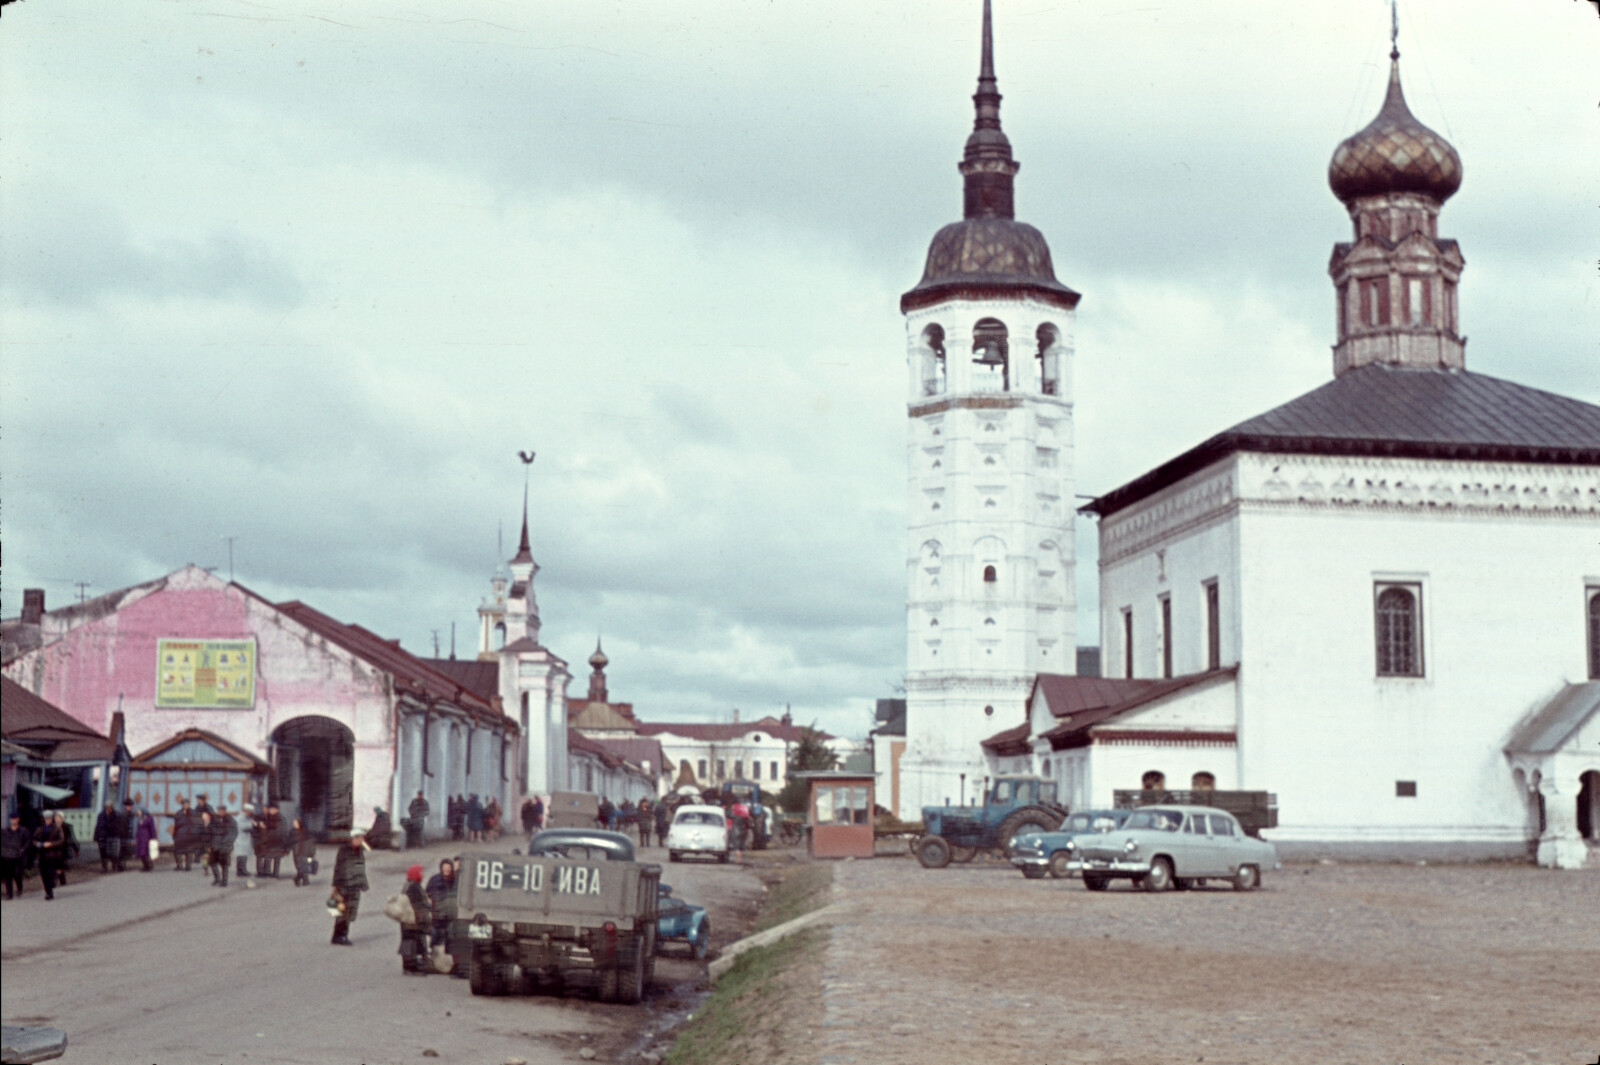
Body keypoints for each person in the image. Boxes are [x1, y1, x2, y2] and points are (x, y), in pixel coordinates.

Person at [330, 827, 369, 946]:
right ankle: (339, 936)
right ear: (354, 838)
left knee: (351, 912)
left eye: (363, 837)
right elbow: (339, 868)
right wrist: (336, 884)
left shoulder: (360, 851)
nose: (362, 840)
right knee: (342, 911)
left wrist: (363, 883)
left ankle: (341, 935)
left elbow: (360, 868)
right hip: (345, 885)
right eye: (360, 837)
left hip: (355, 885)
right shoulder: (344, 850)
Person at [397, 863, 433, 974]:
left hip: (409, 920)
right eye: (420, 872)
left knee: (411, 941)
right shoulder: (413, 887)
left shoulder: (409, 885)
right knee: (411, 943)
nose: (422, 874)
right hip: (413, 920)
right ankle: (410, 967)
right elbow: (417, 903)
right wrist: (428, 905)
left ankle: (411, 965)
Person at [33, 815, 66, 900]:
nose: (47, 820)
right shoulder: (40, 829)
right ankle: (48, 892)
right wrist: (38, 844)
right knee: (44, 874)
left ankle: (51, 885)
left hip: (53, 854)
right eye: (46, 818)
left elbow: (61, 840)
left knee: (51, 872)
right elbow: (33, 839)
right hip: (42, 854)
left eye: (49, 818)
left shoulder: (57, 828)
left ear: (52, 819)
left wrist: (51, 844)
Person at [209, 805, 238, 887]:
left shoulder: (231, 820)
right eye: (219, 810)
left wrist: (228, 841)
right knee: (212, 862)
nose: (220, 812)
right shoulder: (214, 820)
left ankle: (224, 881)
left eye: (222, 810)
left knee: (224, 864)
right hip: (215, 845)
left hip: (225, 845)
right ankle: (217, 878)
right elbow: (210, 831)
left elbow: (234, 832)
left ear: (225, 811)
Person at [3, 813, 31, 899]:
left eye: (15, 819)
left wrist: (22, 850)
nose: (13, 820)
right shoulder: (5, 831)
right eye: (12, 819)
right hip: (7, 855)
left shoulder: (23, 830)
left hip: (18, 855)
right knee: (8, 875)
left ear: (18, 819)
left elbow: (28, 842)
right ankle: (9, 894)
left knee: (17, 873)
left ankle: (19, 888)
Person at [94, 802, 122, 873]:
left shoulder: (115, 815)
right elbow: (98, 826)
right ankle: (104, 867)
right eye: (108, 807)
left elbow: (117, 826)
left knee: (113, 852)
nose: (109, 809)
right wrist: (96, 835)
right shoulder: (101, 815)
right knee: (103, 853)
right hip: (102, 836)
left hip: (112, 836)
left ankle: (114, 865)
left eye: (110, 807)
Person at [234, 804, 258, 885]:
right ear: (246, 811)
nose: (250, 813)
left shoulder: (245, 817)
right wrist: (251, 824)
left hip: (244, 839)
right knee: (242, 855)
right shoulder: (241, 817)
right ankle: (241, 870)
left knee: (243, 855)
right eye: (249, 812)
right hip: (241, 839)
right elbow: (242, 826)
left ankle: (241, 870)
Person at [171, 796, 196, 871]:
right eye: (184, 804)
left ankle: (188, 866)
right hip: (180, 834)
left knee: (189, 851)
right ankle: (179, 865)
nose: (186, 805)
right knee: (176, 850)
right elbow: (176, 824)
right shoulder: (179, 813)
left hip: (189, 834)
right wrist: (174, 834)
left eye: (187, 804)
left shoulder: (193, 813)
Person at [291, 817, 316, 886]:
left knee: (303, 866)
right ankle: (300, 879)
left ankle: (303, 879)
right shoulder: (293, 832)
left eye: (295, 823)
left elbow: (310, 844)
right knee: (300, 866)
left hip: (304, 852)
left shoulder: (304, 833)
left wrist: (311, 852)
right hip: (297, 853)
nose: (294, 824)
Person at [135, 806, 158, 871]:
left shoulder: (149, 818)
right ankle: (145, 865)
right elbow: (138, 828)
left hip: (146, 838)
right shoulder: (140, 818)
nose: (138, 812)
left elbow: (152, 828)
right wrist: (136, 836)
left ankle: (148, 866)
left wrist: (154, 837)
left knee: (145, 852)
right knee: (140, 852)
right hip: (140, 838)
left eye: (139, 811)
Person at [118, 799, 137, 872]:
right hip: (124, 835)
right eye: (128, 805)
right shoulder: (125, 814)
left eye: (130, 806)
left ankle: (122, 865)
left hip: (125, 835)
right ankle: (121, 865)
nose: (130, 807)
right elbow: (123, 826)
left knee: (124, 850)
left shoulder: (127, 813)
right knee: (123, 851)